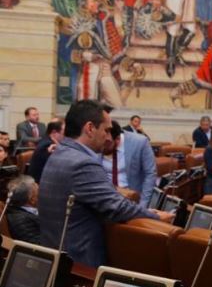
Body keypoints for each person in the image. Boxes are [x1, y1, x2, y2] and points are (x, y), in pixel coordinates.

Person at [38, 100, 165, 267]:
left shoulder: (59, 153)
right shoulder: (83, 163)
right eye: (106, 130)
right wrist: (156, 217)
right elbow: (117, 207)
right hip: (79, 263)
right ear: (90, 128)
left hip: (55, 254)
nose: (108, 137)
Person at [103, 120, 158, 207]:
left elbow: (150, 174)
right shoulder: (98, 142)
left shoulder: (140, 142)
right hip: (105, 200)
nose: (102, 147)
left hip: (133, 201)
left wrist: (142, 206)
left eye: (107, 144)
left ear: (117, 139)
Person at [5, 175, 41, 244]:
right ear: (32, 199)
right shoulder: (20, 220)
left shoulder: (24, 211)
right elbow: (37, 245)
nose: (43, 193)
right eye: (39, 191)